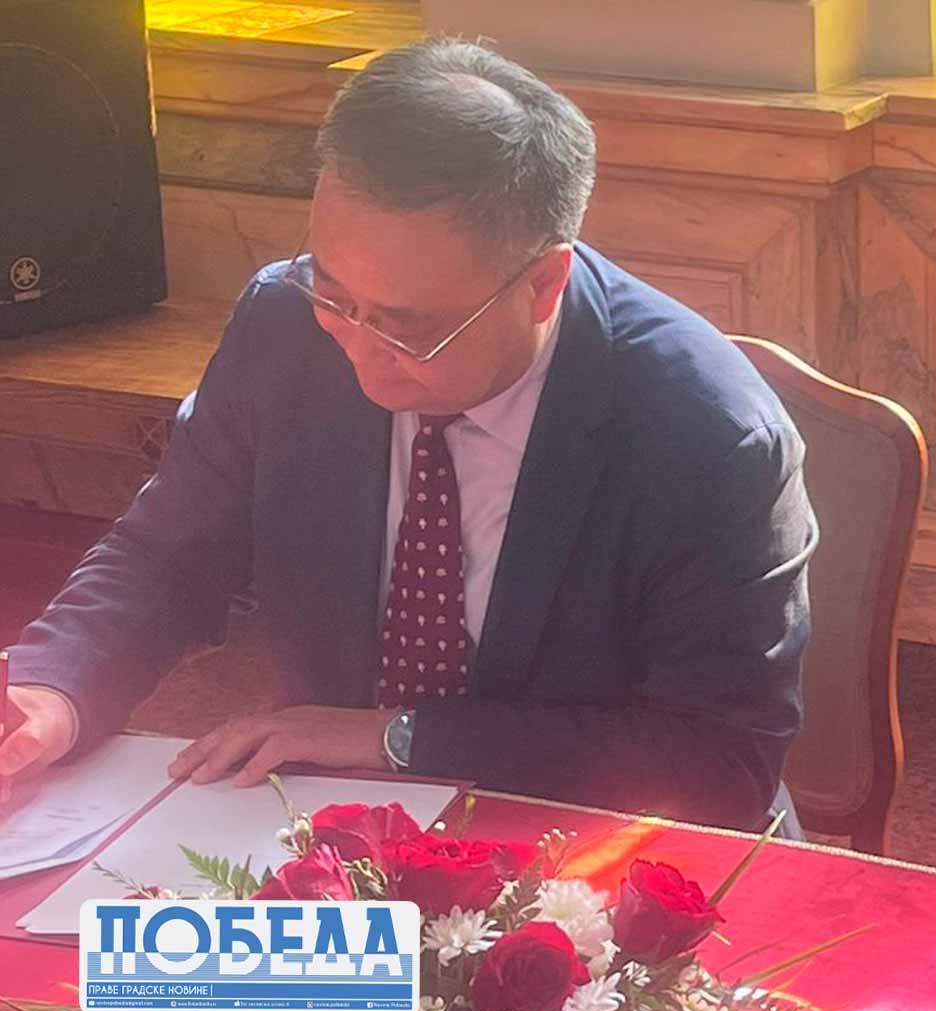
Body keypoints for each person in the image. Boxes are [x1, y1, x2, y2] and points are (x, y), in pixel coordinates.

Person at [0, 40, 816, 832]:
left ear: (542, 284)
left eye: (409, 327)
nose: (359, 351)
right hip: (335, 834)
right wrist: (53, 693)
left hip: (600, 850)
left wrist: (396, 738)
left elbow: (717, 765)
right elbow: (168, 555)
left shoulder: (705, 434)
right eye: (334, 293)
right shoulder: (287, 326)